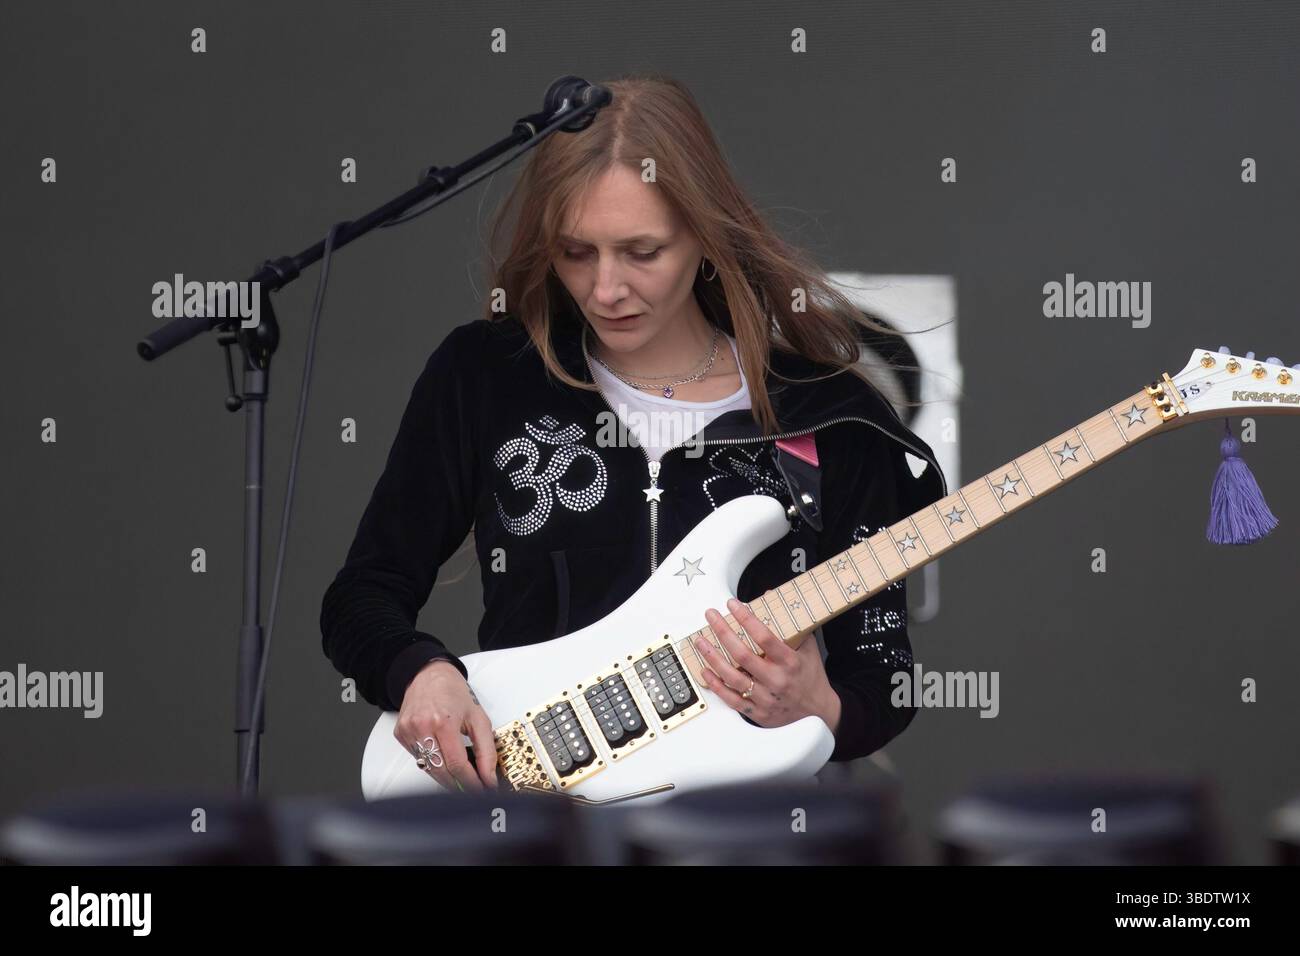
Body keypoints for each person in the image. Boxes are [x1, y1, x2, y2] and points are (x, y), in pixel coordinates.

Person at [320, 74, 947, 793]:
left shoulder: (832, 416)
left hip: (739, 840)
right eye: (576, 252)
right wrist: (421, 673)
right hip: (540, 828)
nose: (605, 289)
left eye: (642, 251)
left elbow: (885, 678)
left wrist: (820, 706)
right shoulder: (486, 375)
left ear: (708, 237)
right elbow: (362, 594)